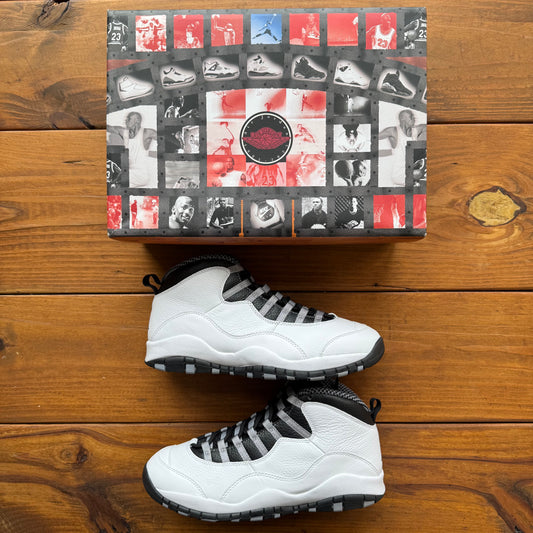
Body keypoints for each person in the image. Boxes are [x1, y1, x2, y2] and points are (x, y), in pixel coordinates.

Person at [107, 111, 157, 188]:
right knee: (114, 184)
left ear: (137, 120)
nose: (126, 120)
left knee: (114, 183)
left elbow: (165, 139)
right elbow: (110, 128)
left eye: (129, 118)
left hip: (141, 174)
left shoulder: (147, 133)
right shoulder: (124, 132)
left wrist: (153, 154)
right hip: (130, 172)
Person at [379, 109, 426, 186]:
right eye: (411, 117)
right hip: (400, 173)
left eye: (414, 116)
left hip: (412, 168)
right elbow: (373, 138)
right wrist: (387, 152)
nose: (414, 118)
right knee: (419, 173)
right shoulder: (393, 131)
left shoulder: (415, 130)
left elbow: (428, 127)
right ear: (403, 119)